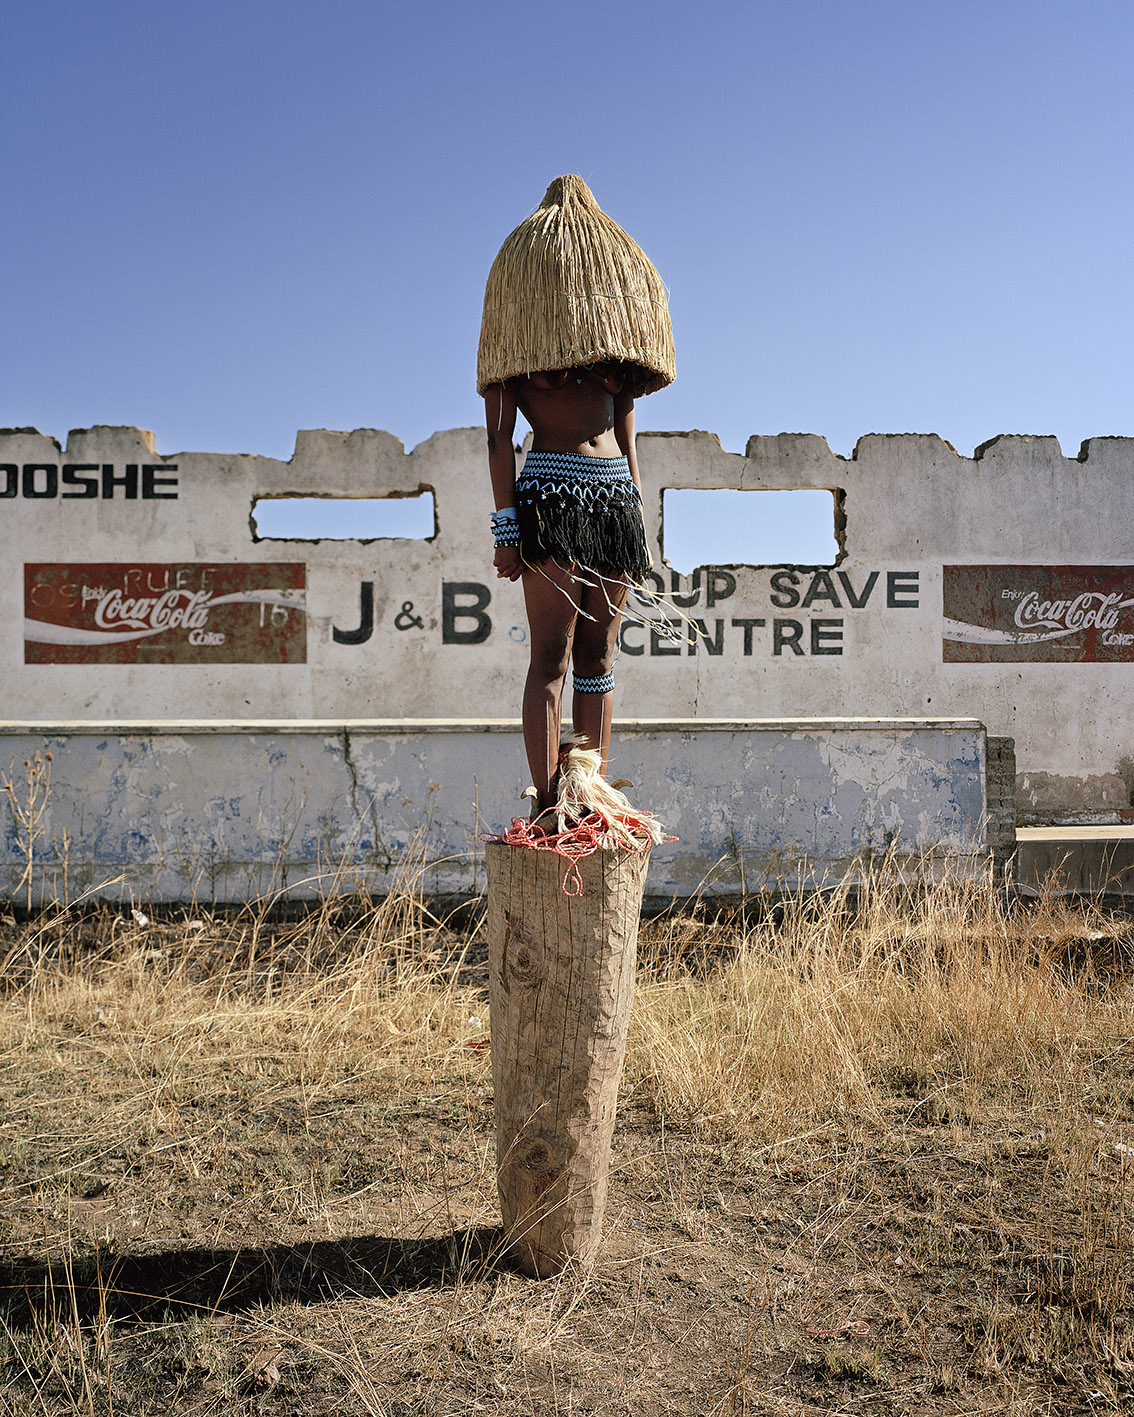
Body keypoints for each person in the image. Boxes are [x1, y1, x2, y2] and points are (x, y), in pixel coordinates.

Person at [485, 360, 652, 827]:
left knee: (598, 658)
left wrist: (638, 524)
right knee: (551, 659)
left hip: (616, 502)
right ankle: (547, 802)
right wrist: (506, 528)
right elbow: (499, 438)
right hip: (549, 501)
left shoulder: (615, 350)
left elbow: (628, 437)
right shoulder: (518, 342)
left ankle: (589, 797)